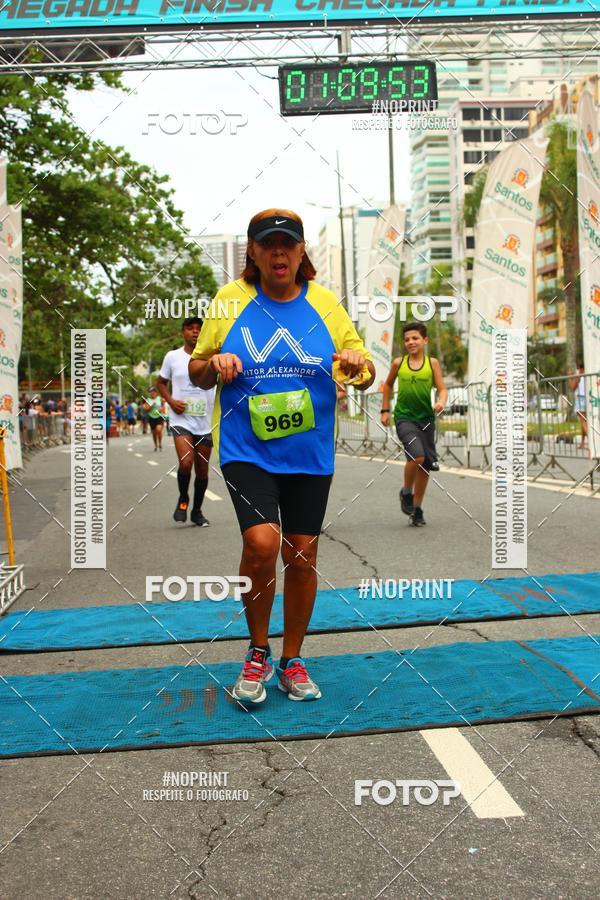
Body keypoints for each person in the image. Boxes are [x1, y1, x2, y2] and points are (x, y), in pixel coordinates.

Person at [189, 208, 374, 705]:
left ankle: (292, 659)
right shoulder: (229, 302)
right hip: (246, 448)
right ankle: (257, 650)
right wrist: (216, 362)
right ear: (251, 252)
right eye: (268, 244)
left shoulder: (326, 305)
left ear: (300, 251)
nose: (278, 252)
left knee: (302, 552)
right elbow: (198, 369)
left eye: (287, 244)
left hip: (309, 452)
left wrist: (358, 364)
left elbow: (365, 370)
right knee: (262, 544)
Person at [381, 322, 447, 527]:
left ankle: (416, 510)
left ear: (425, 340)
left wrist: (441, 402)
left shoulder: (432, 363)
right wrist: (385, 410)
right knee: (417, 455)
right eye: (407, 339)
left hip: (426, 418)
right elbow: (388, 384)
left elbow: (442, 389)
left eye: (415, 338)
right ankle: (406, 492)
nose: (411, 342)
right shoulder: (398, 363)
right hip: (404, 417)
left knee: (425, 465)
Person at [157, 317, 216, 527]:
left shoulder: (213, 357)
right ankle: (183, 499)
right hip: (181, 419)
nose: (195, 332)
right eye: (190, 328)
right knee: (186, 463)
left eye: (199, 329)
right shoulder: (172, 357)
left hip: (206, 421)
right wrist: (171, 401)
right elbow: (160, 383)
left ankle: (197, 511)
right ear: (182, 332)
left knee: (202, 470)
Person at [569, 362, 587, 450]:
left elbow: (572, 387)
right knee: (584, 422)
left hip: (581, 399)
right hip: (589, 398)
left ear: (581, 369)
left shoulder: (580, 376)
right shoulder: (590, 373)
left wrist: (570, 377)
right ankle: (582, 442)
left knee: (584, 422)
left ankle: (592, 442)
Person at [144, 386, 164, 451]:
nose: (152, 393)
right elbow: (146, 409)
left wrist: (162, 409)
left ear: (156, 392)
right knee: (154, 433)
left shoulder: (160, 399)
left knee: (159, 430)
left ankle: (160, 443)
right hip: (151, 417)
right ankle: (155, 445)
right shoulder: (148, 400)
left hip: (159, 416)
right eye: (151, 392)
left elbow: (163, 405)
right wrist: (151, 405)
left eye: (154, 391)